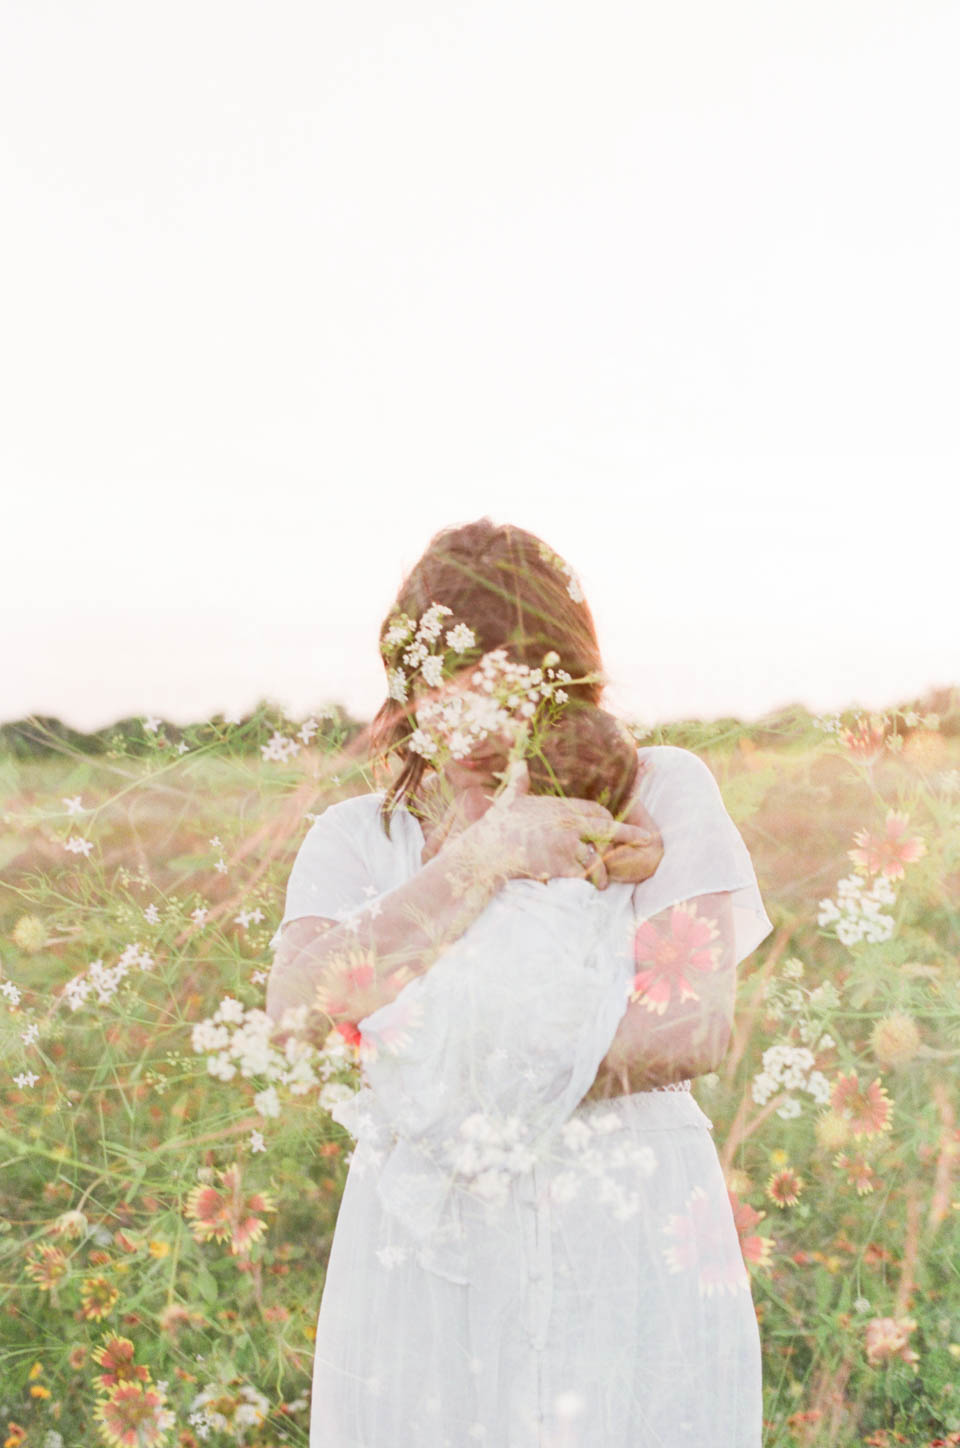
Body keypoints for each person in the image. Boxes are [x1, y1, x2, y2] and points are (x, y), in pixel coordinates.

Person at [266, 518, 775, 1447]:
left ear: (556, 681)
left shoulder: (659, 792)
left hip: (626, 1229)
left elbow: (692, 1029)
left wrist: (457, 1087)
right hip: (425, 1253)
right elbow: (298, 1016)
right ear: (406, 684)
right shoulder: (354, 838)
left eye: (497, 688)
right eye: (436, 687)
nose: (462, 722)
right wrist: (486, 856)